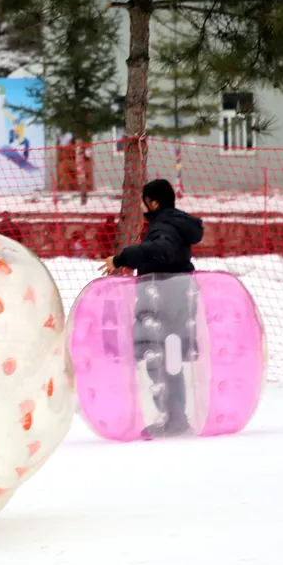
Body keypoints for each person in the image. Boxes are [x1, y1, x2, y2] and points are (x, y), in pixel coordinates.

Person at [99, 179, 205, 439]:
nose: (141, 205)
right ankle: (175, 417)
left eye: (144, 200)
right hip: (177, 298)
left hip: (165, 301)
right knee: (171, 360)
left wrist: (122, 257)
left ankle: (173, 419)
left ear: (153, 202)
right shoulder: (175, 222)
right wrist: (139, 264)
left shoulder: (163, 225)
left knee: (161, 359)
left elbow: (163, 251)